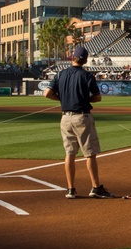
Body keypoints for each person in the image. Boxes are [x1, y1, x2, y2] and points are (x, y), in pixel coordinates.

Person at [45, 45, 114, 199]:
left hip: (65, 118)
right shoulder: (87, 76)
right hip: (82, 117)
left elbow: (47, 93)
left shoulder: (60, 74)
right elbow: (97, 97)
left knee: (69, 153)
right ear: (85, 60)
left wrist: (62, 99)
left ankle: (70, 189)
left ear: (72, 57)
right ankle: (95, 187)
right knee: (90, 154)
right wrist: (84, 99)